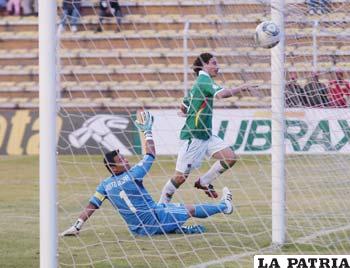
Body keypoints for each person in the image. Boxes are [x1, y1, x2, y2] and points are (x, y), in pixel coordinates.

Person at [61, 111, 234, 237]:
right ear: (114, 168)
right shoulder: (133, 174)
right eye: (122, 160)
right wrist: (147, 131)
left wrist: (77, 226)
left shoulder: (104, 185)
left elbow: (92, 206)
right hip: (154, 221)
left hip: (137, 230)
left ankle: (177, 228)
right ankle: (224, 206)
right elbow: (150, 154)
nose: (126, 161)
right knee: (189, 209)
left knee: (168, 207)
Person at [158, 52, 256, 204]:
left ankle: (204, 181)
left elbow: (184, 106)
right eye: (214, 63)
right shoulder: (204, 80)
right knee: (180, 177)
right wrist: (243, 87)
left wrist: (185, 112)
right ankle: (161, 205)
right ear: (204, 65)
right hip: (194, 136)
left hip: (206, 135)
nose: (218, 67)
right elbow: (222, 94)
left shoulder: (198, 84)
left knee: (229, 157)